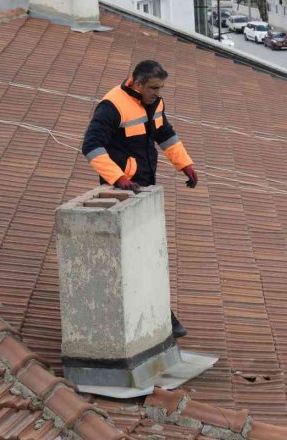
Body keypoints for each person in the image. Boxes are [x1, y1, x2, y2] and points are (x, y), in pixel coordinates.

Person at [81, 60, 197, 338]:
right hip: (121, 192)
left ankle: (160, 313)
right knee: (136, 255)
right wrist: (118, 179)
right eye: (153, 88)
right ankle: (161, 316)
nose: (157, 93)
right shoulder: (111, 106)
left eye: (160, 88)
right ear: (136, 83)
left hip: (144, 188)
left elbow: (164, 134)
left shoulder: (155, 104)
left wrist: (185, 165)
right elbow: (91, 145)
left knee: (145, 254)